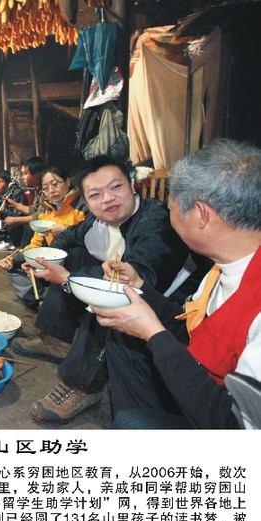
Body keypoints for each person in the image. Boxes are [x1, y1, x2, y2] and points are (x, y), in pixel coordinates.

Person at [91, 139, 261, 429]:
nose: (168, 218)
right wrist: (139, 287)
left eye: (170, 209)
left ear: (201, 214)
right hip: (202, 377)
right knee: (122, 341)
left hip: (225, 423)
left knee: (132, 424)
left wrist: (153, 333)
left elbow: (235, 425)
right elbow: (191, 330)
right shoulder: (221, 269)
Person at [12, 155, 188, 424]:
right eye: (95, 194)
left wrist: (67, 278)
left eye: (115, 187)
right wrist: (41, 259)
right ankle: (56, 339)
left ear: (131, 185)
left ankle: (83, 385)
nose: (107, 199)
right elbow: (66, 237)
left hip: (168, 302)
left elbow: (134, 282)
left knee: (109, 294)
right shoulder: (97, 221)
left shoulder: (155, 221)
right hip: (122, 284)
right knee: (70, 256)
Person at [0, 166, 87, 308]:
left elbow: (87, 237)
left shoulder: (82, 206)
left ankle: (52, 299)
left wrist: (64, 229)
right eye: (45, 188)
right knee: (14, 268)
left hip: (72, 264)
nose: (51, 190)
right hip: (48, 259)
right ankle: (42, 299)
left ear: (68, 181)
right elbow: (36, 244)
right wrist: (12, 258)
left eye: (55, 184)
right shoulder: (46, 209)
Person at [1, 155, 45, 247]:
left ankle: (24, 251)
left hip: (49, 225)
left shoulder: (46, 190)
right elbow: (34, 209)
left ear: (37, 174)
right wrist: (14, 204)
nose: (22, 177)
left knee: (30, 225)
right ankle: (19, 247)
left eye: (25, 173)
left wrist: (16, 220)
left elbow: (41, 216)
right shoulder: (37, 189)